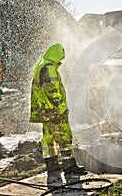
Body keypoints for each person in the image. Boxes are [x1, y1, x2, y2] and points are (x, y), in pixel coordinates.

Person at [30, 43, 85, 187]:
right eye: (62, 54)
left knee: (49, 138)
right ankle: (70, 167)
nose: (63, 57)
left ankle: (52, 164)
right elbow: (52, 91)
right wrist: (61, 108)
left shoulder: (42, 65)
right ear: (57, 54)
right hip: (54, 111)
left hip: (45, 111)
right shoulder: (49, 68)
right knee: (64, 136)